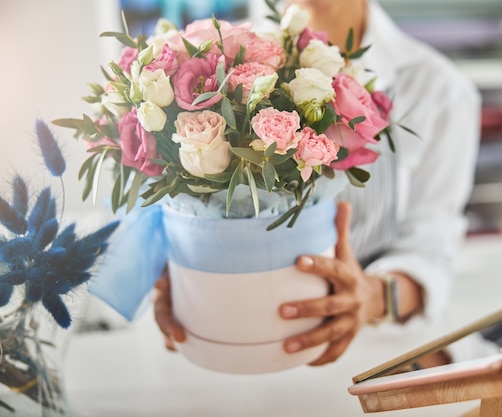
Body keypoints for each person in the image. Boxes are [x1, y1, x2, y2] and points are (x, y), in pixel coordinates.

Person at [154, 0, 481, 368]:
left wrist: (371, 297)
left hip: (370, 347)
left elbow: (430, 250)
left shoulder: (438, 89)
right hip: (223, 341)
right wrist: (177, 265)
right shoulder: (214, 57)